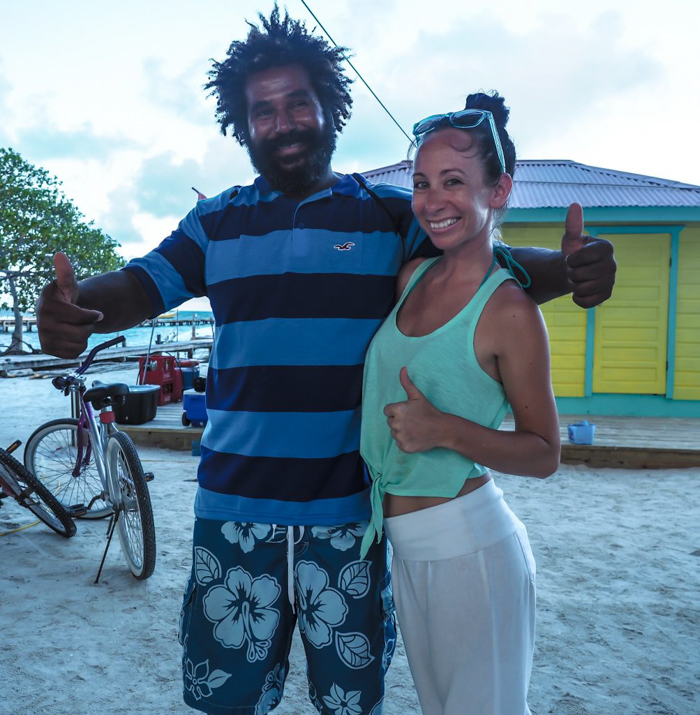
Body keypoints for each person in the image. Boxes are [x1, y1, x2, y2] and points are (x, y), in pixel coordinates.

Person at [36, 8, 615, 715]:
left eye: (298, 103)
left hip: (346, 514)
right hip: (234, 510)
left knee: (349, 700)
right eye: (263, 110)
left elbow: (487, 264)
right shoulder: (216, 222)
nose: (282, 122)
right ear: (242, 124)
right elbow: (137, 284)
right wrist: (72, 309)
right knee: (228, 700)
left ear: (329, 108)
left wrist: (570, 271)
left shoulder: (386, 215)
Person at [359, 92, 559, 714]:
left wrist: (443, 428)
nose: (432, 200)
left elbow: (544, 453)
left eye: (453, 181)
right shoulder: (412, 277)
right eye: (422, 183)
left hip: (470, 548)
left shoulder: (510, 312)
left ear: (497, 192)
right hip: (404, 544)